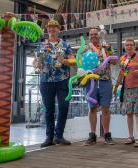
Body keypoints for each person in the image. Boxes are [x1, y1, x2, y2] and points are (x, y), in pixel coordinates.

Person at [32, 19, 75, 147]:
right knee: (48, 110)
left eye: (54, 27)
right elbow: (35, 61)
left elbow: (73, 60)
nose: (52, 29)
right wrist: (36, 64)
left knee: (64, 107)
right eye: (49, 28)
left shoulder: (66, 45)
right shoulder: (41, 46)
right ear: (47, 30)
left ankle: (59, 136)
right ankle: (49, 137)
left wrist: (64, 61)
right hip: (46, 81)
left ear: (59, 29)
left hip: (63, 80)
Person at [83, 26, 118, 145]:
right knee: (92, 108)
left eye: (95, 34)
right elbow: (80, 63)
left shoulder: (107, 46)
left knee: (106, 108)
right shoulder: (85, 49)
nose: (93, 36)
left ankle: (107, 135)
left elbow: (114, 61)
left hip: (105, 80)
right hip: (90, 81)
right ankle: (92, 135)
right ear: (89, 36)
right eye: (91, 34)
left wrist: (107, 52)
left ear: (100, 35)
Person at [114, 39, 138, 147]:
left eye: (131, 45)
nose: (129, 47)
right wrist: (116, 86)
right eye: (127, 45)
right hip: (127, 88)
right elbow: (121, 74)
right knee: (129, 113)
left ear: (135, 46)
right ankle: (130, 136)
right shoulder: (123, 59)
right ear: (124, 47)